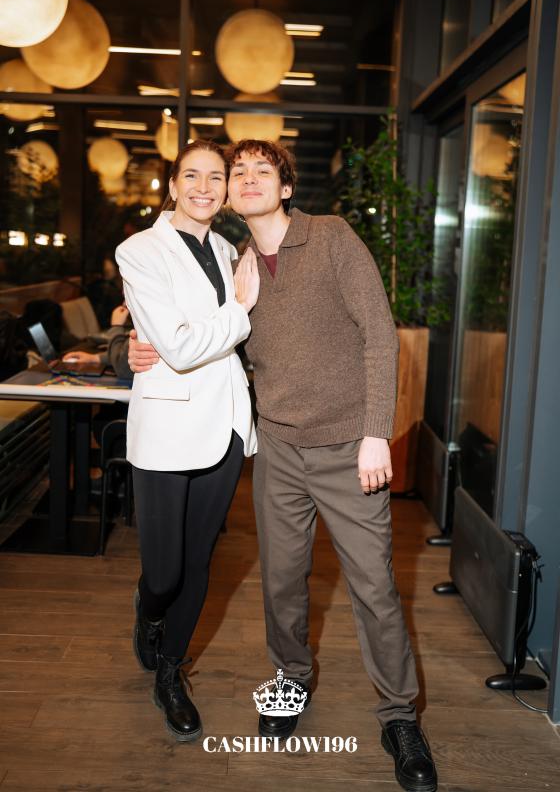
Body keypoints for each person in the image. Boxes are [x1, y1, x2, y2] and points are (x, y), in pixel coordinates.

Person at [128, 140, 438, 792]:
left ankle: (399, 717)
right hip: (277, 448)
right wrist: (130, 346)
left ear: (286, 186)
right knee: (282, 584)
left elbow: (379, 335)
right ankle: (291, 680)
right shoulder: (233, 259)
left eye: (259, 170)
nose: (245, 179)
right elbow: (185, 326)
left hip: (347, 447)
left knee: (374, 588)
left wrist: (375, 434)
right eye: (236, 172)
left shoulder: (331, 238)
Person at [114, 139, 259, 743]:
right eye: (191, 176)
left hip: (225, 425)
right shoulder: (139, 250)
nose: (204, 187)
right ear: (172, 185)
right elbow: (174, 346)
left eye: (216, 177)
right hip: (168, 428)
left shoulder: (228, 249)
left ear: (225, 190)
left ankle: (171, 673)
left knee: (199, 562)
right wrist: (241, 309)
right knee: (164, 573)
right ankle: (148, 611)